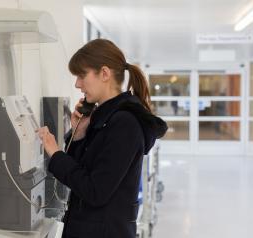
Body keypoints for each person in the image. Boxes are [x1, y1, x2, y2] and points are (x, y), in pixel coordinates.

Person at [38, 39, 167, 238]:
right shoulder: (103, 119)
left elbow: (95, 191)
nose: (77, 84)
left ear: (104, 73)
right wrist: (79, 135)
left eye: (82, 76)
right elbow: (82, 173)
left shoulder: (124, 124)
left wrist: (55, 154)